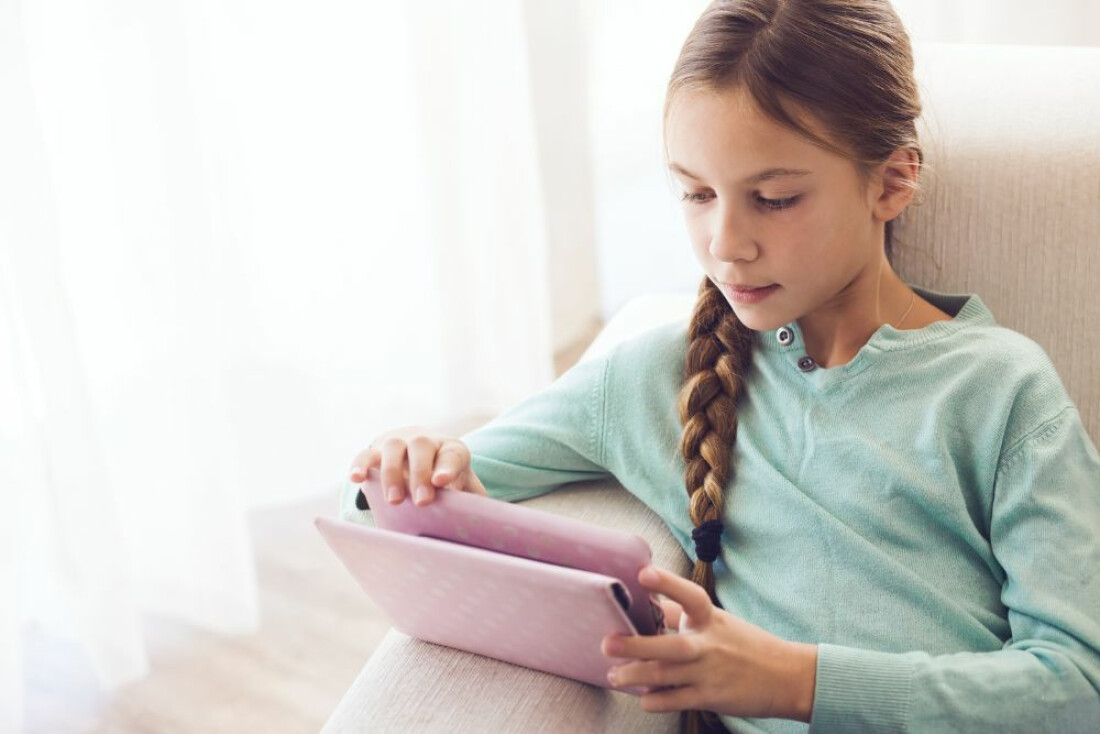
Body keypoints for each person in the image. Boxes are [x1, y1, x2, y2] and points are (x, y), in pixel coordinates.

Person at [341, 1, 1100, 732]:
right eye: (696, 193)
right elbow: (378, 516)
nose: (725, 242)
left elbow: (1080, 689)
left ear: (892, 182)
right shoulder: (650, 378)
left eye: (772, 198)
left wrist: (794, 681)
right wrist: (416, 473)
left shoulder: (1000, 390)